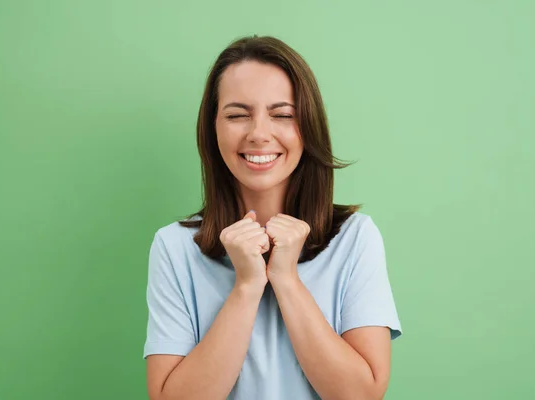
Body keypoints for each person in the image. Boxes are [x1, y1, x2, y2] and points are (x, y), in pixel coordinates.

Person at [143, 35, 402, 400]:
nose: (259, 134)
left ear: (308, 127)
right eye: (237, 115)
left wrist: (285, 278)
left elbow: (361, 395)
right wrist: (247, 287)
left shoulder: (356, 238)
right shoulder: (174, 247)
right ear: (212, 127)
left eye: (282, 115)